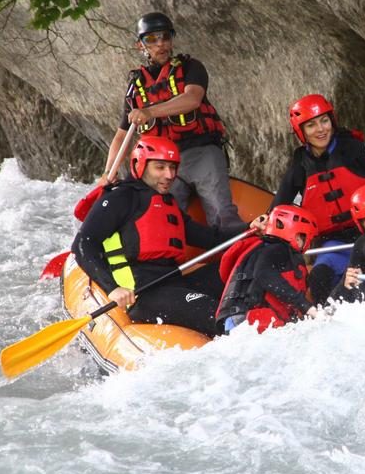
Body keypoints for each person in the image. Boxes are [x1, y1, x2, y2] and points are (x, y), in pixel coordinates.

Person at [73, 136, 262, 337]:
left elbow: (210, 238)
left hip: (175, 284)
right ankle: (243, 335)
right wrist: (113, 289)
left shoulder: (167, 203)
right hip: (143, 294)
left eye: (173, 168)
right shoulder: (120, 198)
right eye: (160, 167)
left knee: (244, 268)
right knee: (213, 311)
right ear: (140, 164)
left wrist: (250, 227)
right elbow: (82, 245)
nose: (169, 175)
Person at [100, 11, 243, 229]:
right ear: (140, 45)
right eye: (151, 39)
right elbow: (122, 136)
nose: (160, 44)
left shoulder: (190, 68)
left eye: (165, 37)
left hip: (201, 152)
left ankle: (235, 254)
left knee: (222, 214)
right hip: (163, 163)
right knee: (163, 220)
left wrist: (149, 112)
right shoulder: (135, 88)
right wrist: (107, 174)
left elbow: (192, 99)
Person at [270, 93, 365, 304]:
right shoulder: (300, 163)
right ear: (300, 131)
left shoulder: (354, 148)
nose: (321, 129)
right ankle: (329, 323)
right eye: (311, 125)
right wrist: (266, 224)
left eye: (324, 120)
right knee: (319, 276)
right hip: (334, 243)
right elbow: (278, 207)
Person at [215, 205, 319, 334]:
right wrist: (305, 306)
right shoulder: (278, 249)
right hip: (245, 319)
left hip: (235, 319)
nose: (308, 244)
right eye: (307, 239)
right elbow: (264, 275)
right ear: (297, 235)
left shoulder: (263, 248)